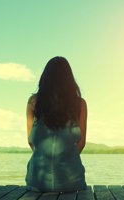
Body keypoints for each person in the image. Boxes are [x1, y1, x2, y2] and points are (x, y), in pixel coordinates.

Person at [25, 56, 87, 192]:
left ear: (45, 78)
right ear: (69, 79)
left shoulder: (33, 103)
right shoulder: (80, 104)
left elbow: (31, 141)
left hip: (37, 182)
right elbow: (81, 143)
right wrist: (64, 159)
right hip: (72, 182)